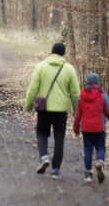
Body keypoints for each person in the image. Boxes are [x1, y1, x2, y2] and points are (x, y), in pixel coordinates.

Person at [25, 43, 80, 179]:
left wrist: (28, 105)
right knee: (59, 137)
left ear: (51, 52)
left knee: (42, 132)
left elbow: (33, 88)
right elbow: (75, 93)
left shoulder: (41, 66)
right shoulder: (69, 69)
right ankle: (55, 169)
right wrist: (76, 110)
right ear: (63, 54)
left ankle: (44, 156)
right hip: (61, 110)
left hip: (44, 108)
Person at [73, 73, 109, 183]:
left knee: (87, 149)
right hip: (99, 128)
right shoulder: (103, 96)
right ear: (97, 83)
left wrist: (76, 129)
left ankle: (88, 174)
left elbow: (77, 114)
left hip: (86, 129)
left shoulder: (81, 96)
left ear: (87, 83)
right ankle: (100, 161)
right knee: (101, 148)